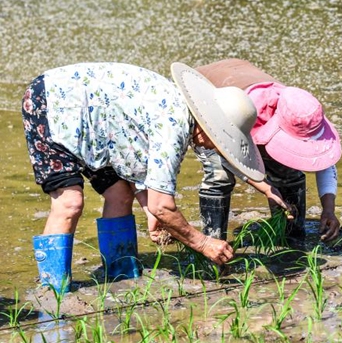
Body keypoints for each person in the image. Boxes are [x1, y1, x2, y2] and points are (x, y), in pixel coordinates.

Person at [24, 62, 266, 294]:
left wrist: (150, 210)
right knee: (69, 202)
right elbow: (163, 206)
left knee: (119, 194)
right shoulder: (174, 126)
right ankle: (54, 291)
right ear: (209, 126)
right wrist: (203, 243)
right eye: (222, 139)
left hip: (98, 124)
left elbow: (135, 166)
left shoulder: (178, 112)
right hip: (52, 103)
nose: (218, 147)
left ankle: (120, 276)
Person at [192, 59, 342, 243]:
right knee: (220, 175)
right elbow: (228, 155)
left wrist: (328, 209)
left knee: (287, 170)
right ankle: (213, 248)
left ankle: (291, 241)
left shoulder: (306, 114)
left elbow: (323, 161)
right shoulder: (244, 113)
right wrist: (266, 189)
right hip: (208, 93)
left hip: (243, 78)